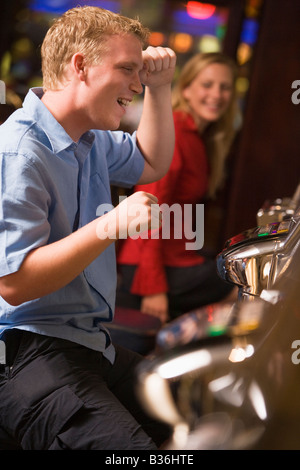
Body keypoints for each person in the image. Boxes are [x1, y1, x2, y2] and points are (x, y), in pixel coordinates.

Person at [0, 6, 177, 450]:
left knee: (197, 407)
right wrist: (109, 225)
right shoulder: (20, 152)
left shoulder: (88, 139)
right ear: (80, 65)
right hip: (25, 354)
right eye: (127, 69)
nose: (136, 84)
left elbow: (152, 160)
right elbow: (14, 283)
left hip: (89, 345)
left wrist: (160, 88)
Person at [117, 52, 240, 324]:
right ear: (186, 88)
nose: (216, 94)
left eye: (225, 87)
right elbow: (149, 210)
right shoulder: (174, 131)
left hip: (175, 258)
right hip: (148, 266)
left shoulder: (200, 137)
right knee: (248, 289)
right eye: (207, 85)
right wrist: (153, 288)